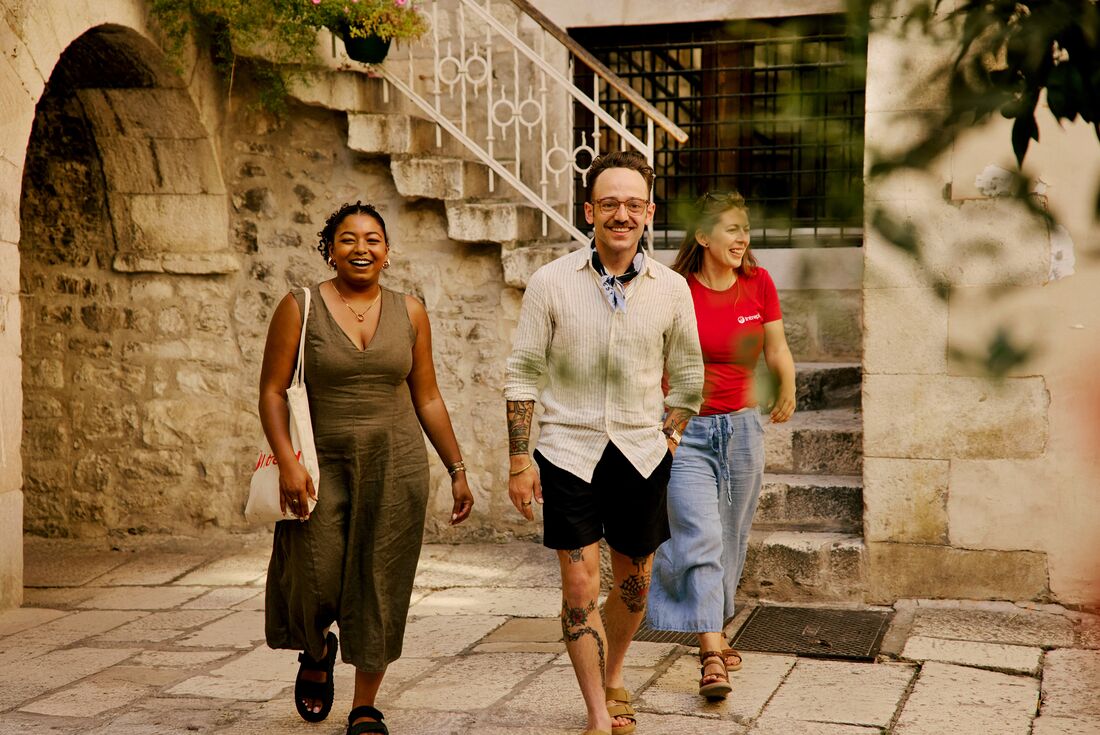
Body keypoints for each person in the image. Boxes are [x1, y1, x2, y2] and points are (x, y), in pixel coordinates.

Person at [504, 150, 704, 735]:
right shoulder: (551, 283)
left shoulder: (670, 289)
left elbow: (689, 378)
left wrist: (668, 437)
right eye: (609, 203)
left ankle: (615, 673)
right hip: (568, 451)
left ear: (649, 213)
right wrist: (521, 459)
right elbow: (522, 373)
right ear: (590, 211)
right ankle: (597, 712)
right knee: (579, 584)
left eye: (633, 204)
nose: (622, 214)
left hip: (642, 455)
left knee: (635, 585)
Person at [258, 202, 474, 735]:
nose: (361, 248)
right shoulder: (299, 305)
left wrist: (457, 468)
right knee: (314, 575)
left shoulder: (411, 311)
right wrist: (287, 461)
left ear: (387, 251)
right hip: (318, 465)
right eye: (349, 239)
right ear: (329, 249)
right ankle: (316, 649)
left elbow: (427, 396)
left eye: (373, 239)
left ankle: (365, 705)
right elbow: (270, 392)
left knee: (382, 580)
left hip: (395, 465)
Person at [646, 191, 796, 700]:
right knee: (700, 533)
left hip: (743, 427)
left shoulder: (758, 284)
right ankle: (712, 651)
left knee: (732, 534)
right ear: (703, 236)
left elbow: (776, 348)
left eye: (745, 228)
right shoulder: (675, 290)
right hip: (687, 428)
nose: (742, 239)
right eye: (731, 229)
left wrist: (786, 385)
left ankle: (714, 620)